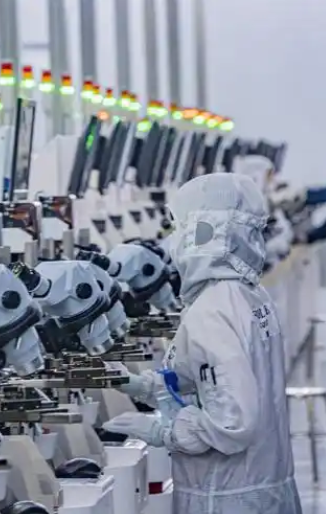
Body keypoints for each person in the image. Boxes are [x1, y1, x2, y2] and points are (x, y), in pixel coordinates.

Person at [102, 173, 302, 513]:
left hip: (226, 496)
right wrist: (145, 386)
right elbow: (216, 377)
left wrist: (163, 432)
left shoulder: (212, 310)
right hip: (265, 487)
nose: (175, 238)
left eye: (180, 227)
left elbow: (233, 424)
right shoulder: (250, 294)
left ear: (204, 231)